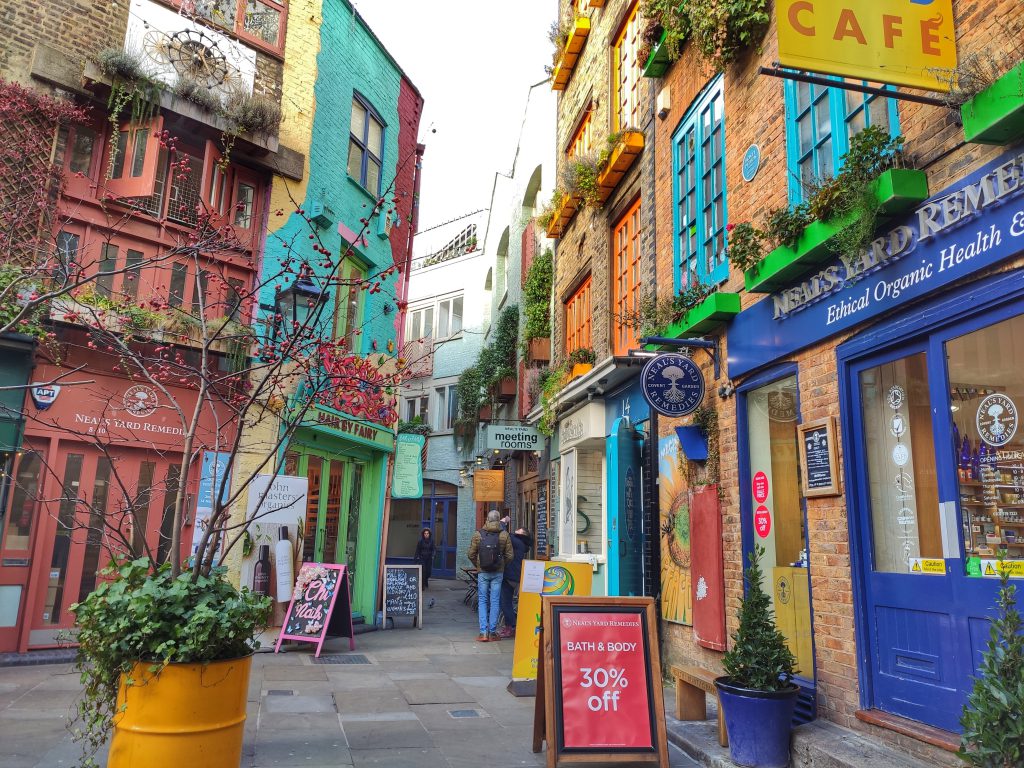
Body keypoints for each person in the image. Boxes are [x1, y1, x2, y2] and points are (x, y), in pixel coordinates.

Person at [467, 509, 513, 642]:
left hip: (483, 573)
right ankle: (493, 632)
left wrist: (479, 565)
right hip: (498, 573)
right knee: (495, 600)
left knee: (482, 600)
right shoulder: (504, 535)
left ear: (487, 519)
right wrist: (501, 564)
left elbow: (471, 554)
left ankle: (483, 633)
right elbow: (510, 555)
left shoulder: (478, 534)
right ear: (499, 520)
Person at [499, 527, 532, 638]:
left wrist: (503, 522)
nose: (516, 530)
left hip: (510, 575)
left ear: (523, 534)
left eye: (519, 530)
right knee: (509, 602)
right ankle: (513, 624)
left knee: (505, 603)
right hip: (516, 575)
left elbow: (504, 534)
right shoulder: (522, 544)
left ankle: (511, 626)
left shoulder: (517, 541)